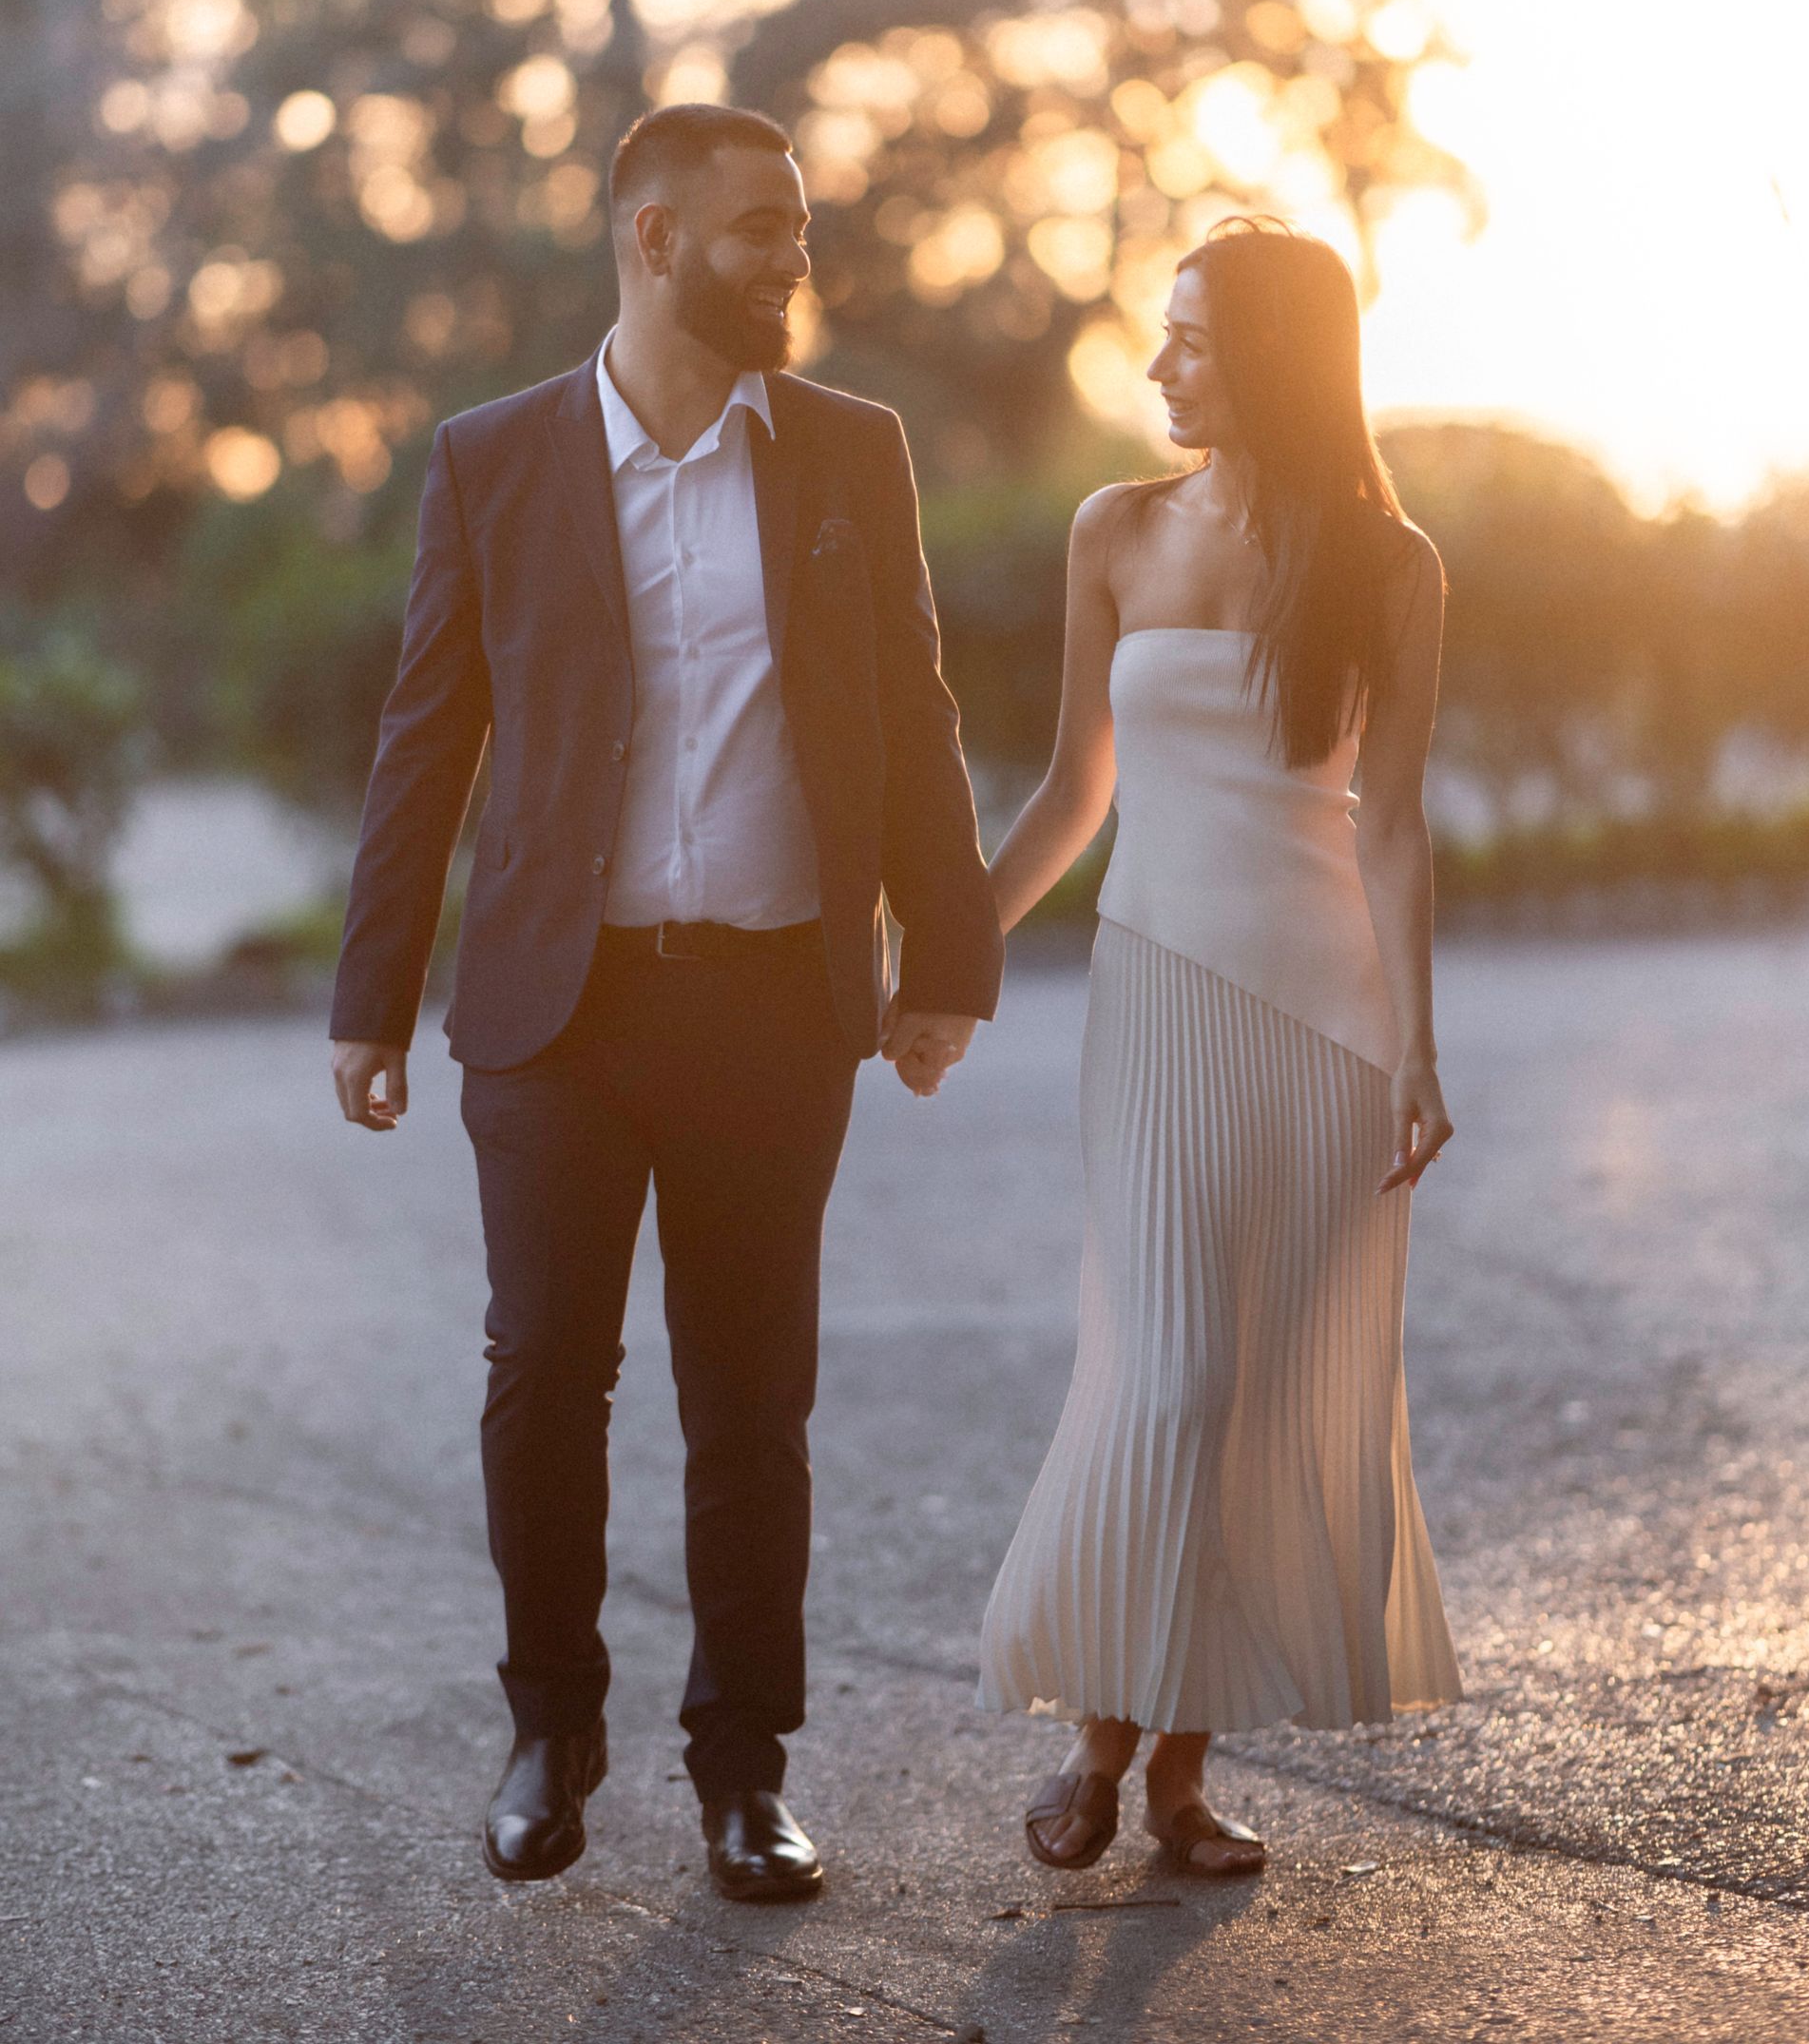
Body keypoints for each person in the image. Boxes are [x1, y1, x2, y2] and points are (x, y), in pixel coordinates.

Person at [329, 103, 1001, 1901]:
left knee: (750, 1396)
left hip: (781, 1003)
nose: (796, 256)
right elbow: (427, 737)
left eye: (799, 225)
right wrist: (371, 997)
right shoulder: (495, 459)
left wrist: (945, 962)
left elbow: (914, 715)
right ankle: (552, 1726)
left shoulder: (854, 453)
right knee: (545, 1371)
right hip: (561, 1009)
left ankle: (743, 1769)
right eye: (761, 228)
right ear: (652, 238)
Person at [978, 215, 1462, 1878]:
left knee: (1264, 1403)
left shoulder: (1392, 568)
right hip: (1161, 995)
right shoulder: (1113, 533)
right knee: (1172, 1376)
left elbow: (1389, 825)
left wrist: (1415, 1044)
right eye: (1163, 332)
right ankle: (1109, 1737)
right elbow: (1069, 794)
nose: (1163, 362)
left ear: (1272, 358)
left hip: (1331, 1023)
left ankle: (1168, 1776)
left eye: (1191, 337)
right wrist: (947, 954)